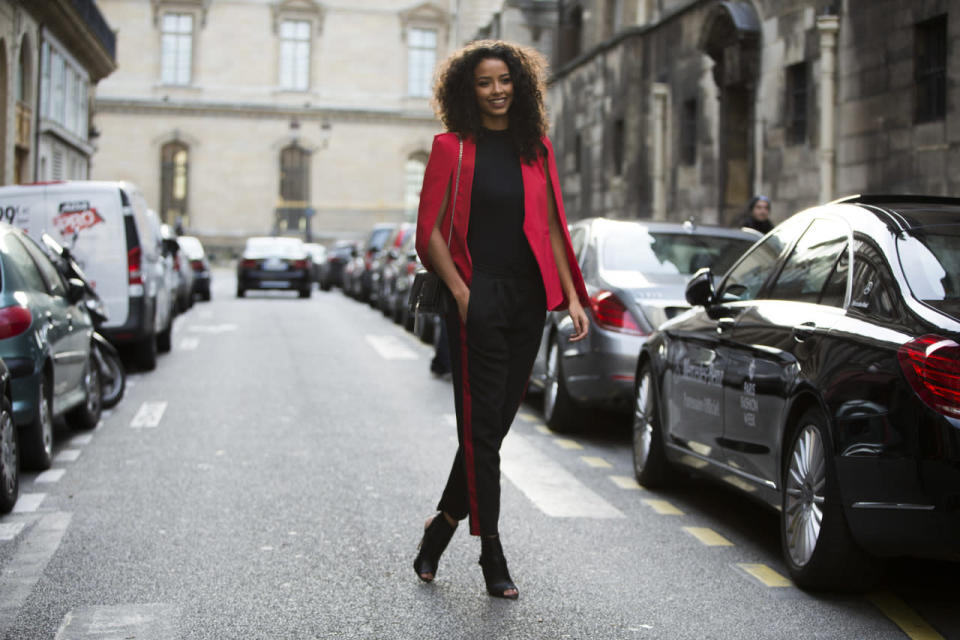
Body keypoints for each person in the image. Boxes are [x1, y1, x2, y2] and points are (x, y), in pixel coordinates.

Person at [411, 40, 589, 600]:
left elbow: (554, 227)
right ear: (470, 88)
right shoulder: (451, 148)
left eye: (506, 80)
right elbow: (429, 233)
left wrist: (574, 297)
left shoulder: (535, 148)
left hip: (529, 298)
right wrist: (463, 293)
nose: (497, 90)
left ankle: (441, 524)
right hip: (478, 295)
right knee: (481, 430)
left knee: (495, 425)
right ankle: (491, 551)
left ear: (521, 85)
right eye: (486, 82)